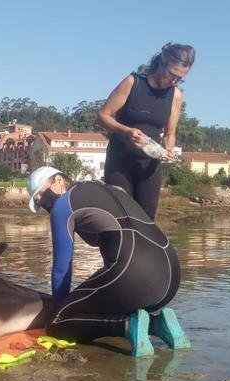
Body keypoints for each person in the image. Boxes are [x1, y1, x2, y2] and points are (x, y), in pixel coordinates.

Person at [26, 166, 190, 357]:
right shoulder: (108, 190)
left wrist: (60, 309)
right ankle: (158, 324)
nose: (41, 201)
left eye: (40, 193)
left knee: (57, 323)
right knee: (100, 302)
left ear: (59, 180)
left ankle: (127, 327)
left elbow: (62, 268)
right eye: (37, 201)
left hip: (135, 273)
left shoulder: (63, 205)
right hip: (170, 276)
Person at [98, 43, 195, 219]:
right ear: (161, 63)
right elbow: (103, 115)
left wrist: (169, 149)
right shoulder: (133, 82)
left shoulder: (176, 95)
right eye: (171, 74)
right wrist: (128, 132)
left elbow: (169, 133)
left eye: (180, 78)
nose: (174, 81)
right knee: (119, 218)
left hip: (149, 167)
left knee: (146, 221)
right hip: (119, 162)